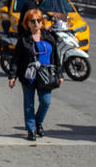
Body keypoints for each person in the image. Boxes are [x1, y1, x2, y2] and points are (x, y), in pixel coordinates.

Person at [8, 8, 63, 141]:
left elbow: (56, 57)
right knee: (29, 104)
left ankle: (38, 122)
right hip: (29, 75)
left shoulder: (49, 37)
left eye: (39, 20)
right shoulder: (24, 39)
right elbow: (16, 59)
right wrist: (12, 76)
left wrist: (60, 74)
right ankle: (31, 129)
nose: (36, 23)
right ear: (27, 23)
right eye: (33, 21)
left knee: (46, 102)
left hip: (46, 75)